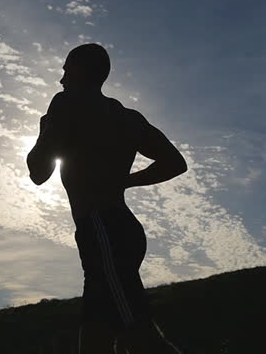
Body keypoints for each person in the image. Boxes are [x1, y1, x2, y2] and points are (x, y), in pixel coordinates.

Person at [27, 43, 187, 353]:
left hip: (102, 230)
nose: (61, 80)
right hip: (120, 229)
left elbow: (38, 172)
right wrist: (123, 181)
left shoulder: (65, 103)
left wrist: (44, 131)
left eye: (66, 71)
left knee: (139, 335)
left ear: (81, 72)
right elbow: (174, 163)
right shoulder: (127, 117)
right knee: (96, 338)